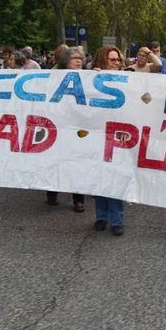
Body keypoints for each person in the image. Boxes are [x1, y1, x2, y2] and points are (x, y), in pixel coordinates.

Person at [46, 46, 87, 212]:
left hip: (78, 127)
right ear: (65, 61)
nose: (78, 61)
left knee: (78, 163)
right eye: (74, 58)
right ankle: (52, 192)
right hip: (58, 125)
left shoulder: (89, 76)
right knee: (55, 161)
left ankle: (78, 199)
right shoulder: (54, 77)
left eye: (80, 58)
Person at [90, 46, 126, 235]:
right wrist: (91, 77)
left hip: (118, 135)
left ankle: (116, 220)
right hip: (97, 134)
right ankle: (101, 216)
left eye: (118, 60)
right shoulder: (90, 78)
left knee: (115, 177)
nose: (116, 63)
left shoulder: (130, 79)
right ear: (102, 60)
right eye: (112, 60)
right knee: (99, 177)